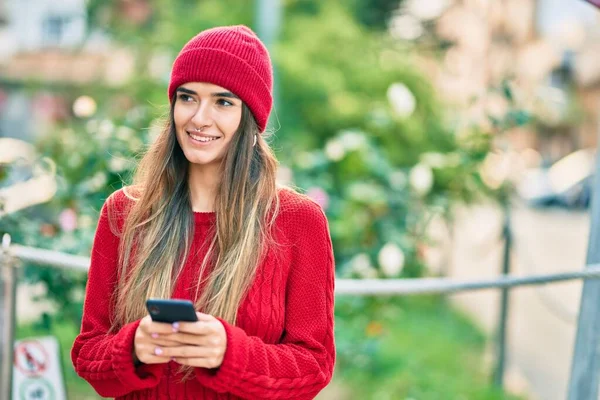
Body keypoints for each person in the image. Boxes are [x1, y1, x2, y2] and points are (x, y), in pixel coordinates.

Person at [71, 25, 335, 400]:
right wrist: (133, 348)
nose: (199, 118)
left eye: (223, 102)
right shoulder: (124, 213)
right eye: (188, 97)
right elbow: (88, 354)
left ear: (250, 118)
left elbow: (314, 367)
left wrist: (230, 354)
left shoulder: (297, 221)